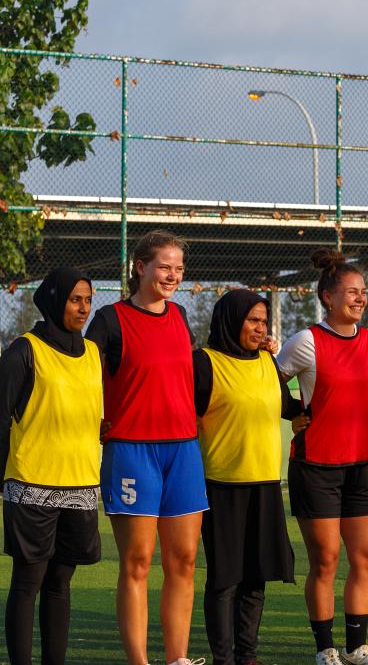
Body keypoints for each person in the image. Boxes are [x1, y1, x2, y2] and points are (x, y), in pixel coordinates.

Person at [86, 230, 208, 665]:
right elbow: (84, 379)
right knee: (137, 561)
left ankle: (178, 659)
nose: (173, 275)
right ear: (140, 267)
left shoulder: (179, 316)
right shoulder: (108, 319)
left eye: (178, 268)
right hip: (132, 451)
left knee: (185, 561)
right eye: (164, 267)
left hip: (183, 451)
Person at [276, 249, 368, 665]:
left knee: (367, 558)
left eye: (363, 292)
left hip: (361, 465)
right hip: (316, 467)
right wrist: (294, 412)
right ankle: (325, 649)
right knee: (325, 560)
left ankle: (358, 647)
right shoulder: (306, 341)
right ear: (327, 296)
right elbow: (268, 381)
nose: (360, 299)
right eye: (351, 292)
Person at [1, 268, 102, 665]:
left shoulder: (93, 353)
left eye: (89, 300)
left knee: (61, 582)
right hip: (32, 483)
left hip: (80, 485)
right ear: (54, 300)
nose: (83, 308)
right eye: (75, 299)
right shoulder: (24, 350)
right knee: (29, 581)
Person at [194, 290, 298, 665]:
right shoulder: (204, 363)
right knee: (225, 579)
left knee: (256, 577)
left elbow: (288, 407)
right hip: (221, 486)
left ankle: (247, 656)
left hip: (266, 484)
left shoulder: (268, 363)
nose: (260, 328)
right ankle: (223, 659)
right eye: (252, 320)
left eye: (263, 321)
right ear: (230, 320)